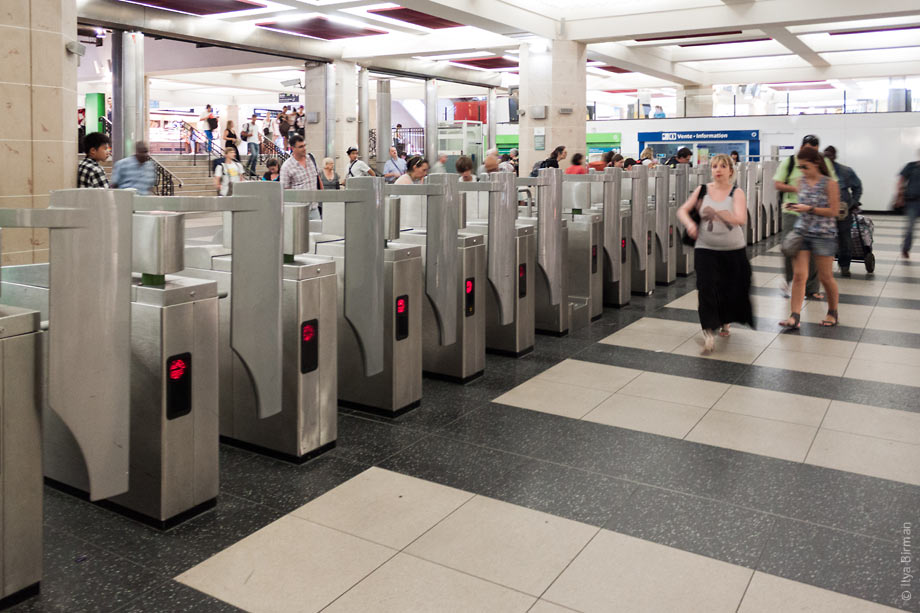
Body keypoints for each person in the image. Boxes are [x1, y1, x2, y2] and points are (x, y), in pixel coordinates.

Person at [676, 154, 753, 353]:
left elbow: (741, 218)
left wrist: (719, 214)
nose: (717, 170)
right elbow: (683, 210)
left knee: (728, 288)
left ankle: (725, 320)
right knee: (706, 287)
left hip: (732, 249)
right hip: (705, 248)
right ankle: (708, 331)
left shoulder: (737, 193)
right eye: (714, 166)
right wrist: (690, 223)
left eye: (722, 166)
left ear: (730, 170)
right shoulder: (702, 190)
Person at [780, 147, 842, 329]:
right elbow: (804, 205)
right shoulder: (801, 182)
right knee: (800, 275)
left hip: (824, 234)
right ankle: (794, 316)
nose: (802, 170)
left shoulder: (830, 184)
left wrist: (809, 209)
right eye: (800, 167)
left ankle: (832, 311)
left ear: (816, 164)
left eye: (805, 166)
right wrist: (795, 206)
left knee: (825, 277)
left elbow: (834, 211)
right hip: (802, 233)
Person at [774, 134, 838, 299]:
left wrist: (811, 203)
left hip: (820, 220)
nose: (803, 170)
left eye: (815, 152)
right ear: (802, 147)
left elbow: (832, 186)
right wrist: (796, 190)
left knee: (819, 261)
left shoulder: (825, 164)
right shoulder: (789, 162)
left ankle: (812, 288)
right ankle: (790, 283)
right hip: (793, 213)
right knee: (791, 248)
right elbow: (778, 184)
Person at [823, 146, 863, 277]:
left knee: (845, 238)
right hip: (824, 212)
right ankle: (824, 266)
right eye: (825, 156)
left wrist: (853, 203)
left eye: (829, 156)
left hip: (843, 212)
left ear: (834, 156)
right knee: (825, 239)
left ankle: (845, 266)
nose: (827, 158)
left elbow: (857, 187)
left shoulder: (846, 171)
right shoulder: (819, 171)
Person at [280, 134, 322, 218]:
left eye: (304, 145)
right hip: (298, 210)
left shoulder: (311, 159)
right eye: (300, 147)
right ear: (293, 148)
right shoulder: (287, 166)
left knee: (317, 230)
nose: (304, 148)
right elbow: (284, 191)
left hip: (314, 207)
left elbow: (318, 178)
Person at [896, 150, 920, 259]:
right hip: (913, 201)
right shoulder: (911, 166)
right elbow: (901, 181)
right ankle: (906, 248)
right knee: (910, 227)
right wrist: (900, 195)